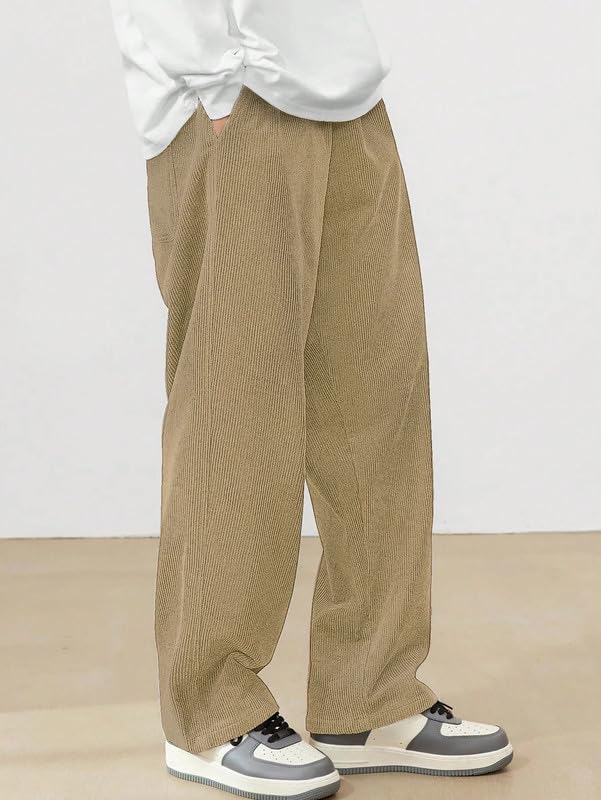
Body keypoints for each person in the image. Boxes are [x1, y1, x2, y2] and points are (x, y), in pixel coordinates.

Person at [110, 1, 513, 797]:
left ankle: (368, 697)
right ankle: (209, 713)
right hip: (229, 97)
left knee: (379, 406)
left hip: (344, 90)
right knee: (237, 412)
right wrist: (210, 79)